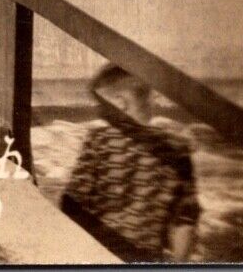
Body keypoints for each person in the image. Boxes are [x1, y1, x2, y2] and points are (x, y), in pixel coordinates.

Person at [59, 63, 202, 262]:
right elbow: (186, 221)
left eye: (101, 104)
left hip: (100, 256)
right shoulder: (177, 148)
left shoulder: (99, 140)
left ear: (120, 103)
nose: (99, 112)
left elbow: (71, 205)